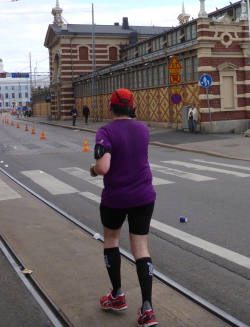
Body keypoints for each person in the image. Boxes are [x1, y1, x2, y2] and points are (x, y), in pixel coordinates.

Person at [90, 89, 158, 327]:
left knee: (111, 240)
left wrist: (93, 169)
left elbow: (103, 167)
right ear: (132, 107)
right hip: (144, 196)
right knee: (141, 248)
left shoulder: (105, 132)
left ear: (110, 107)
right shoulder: (143, 129)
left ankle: (117, 296)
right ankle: (147, 310)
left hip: (116, 198)